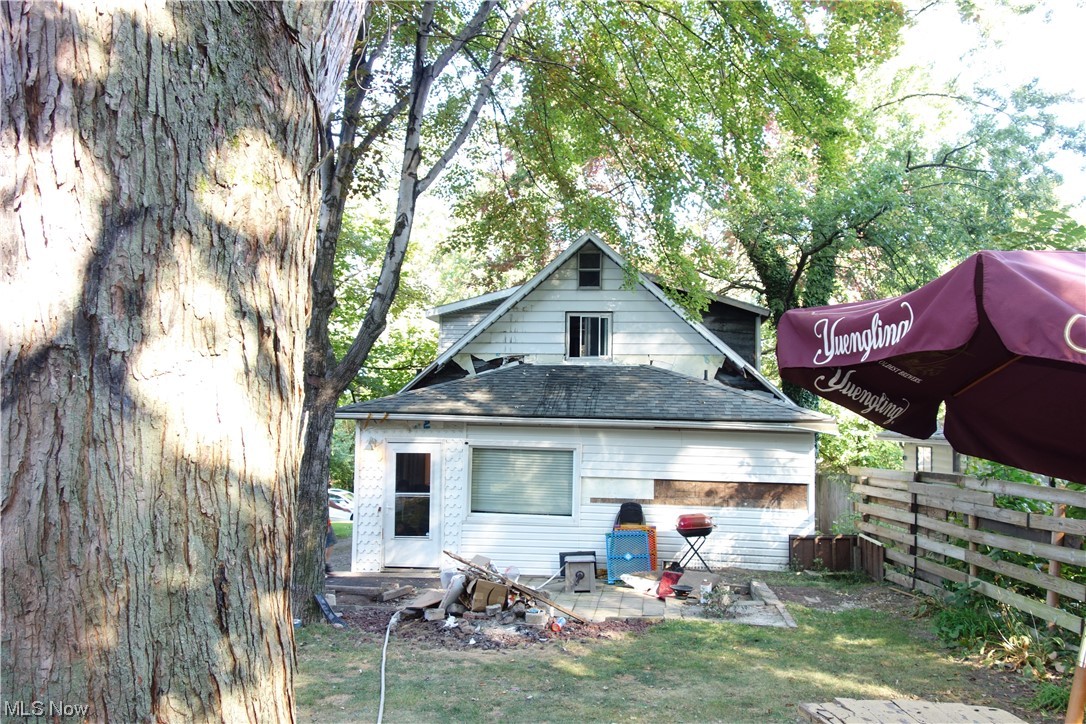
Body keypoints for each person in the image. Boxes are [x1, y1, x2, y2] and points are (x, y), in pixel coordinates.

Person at [326, 498, 350, 574]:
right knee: (330, 542)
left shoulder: (323, 493)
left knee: (331, 542)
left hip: (327, 522)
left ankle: (325, 563)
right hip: (325, 523)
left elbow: (329, 502)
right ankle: (324, 563)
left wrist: (342, 509)